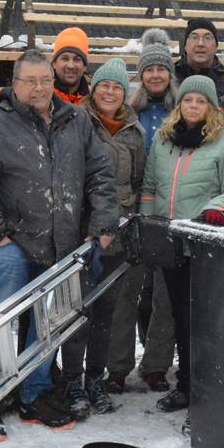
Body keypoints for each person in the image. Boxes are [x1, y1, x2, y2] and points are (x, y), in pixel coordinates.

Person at [0, 48, 119, 441]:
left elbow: (100, 173)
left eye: (45, 81)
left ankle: (34, 392)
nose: (39, 88)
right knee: (1, 320)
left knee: (48, 324)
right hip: (12, 242)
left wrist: (101, 221)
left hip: (62, 243)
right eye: (30, 81)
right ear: (14, 85)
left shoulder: (75, 120)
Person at [140, 75, 224, 418]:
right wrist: (148, 226)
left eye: (200, 101)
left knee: (204, 320)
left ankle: (208, 384)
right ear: (179, 104)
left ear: (211, 107)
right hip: (170, 244)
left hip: (206, 243)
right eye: (187, 100)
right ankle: (188, 384)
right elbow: (150, 188)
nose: (193, 106)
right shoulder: (163, 140)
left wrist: (219, 208)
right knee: (180, 317)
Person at [60, 58, 146, 419]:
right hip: (82, 231)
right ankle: (72, 381)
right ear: (93, 90)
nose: (109, 92)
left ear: (125, 93)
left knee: (106, 311)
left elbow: (139, 182)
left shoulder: (134, 131)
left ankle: (96, 377)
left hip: (118, 232)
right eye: (103, 86)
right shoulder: (74, 121)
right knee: (76, 310)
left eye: (116, 87)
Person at [106, 28, 176, 395]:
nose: (155, 76)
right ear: (141, 75)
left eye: (161, 70)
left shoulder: (183, 112)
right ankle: (116, 366)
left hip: (167, 210)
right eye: (149, 70)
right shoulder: (129, 112)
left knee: (164, 297)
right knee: (126, 293)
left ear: (169, 74)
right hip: (132, 211)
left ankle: (156, 365)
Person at [174, 18, 224, 97]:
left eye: (207, 38)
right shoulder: (169, 83)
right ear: (185, 45)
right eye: (194, 37)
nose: (200, 44)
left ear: (216, 46)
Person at [52, 26, 90, 104]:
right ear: (54, 63)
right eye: (65, 59)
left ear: (85, 66)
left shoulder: (92, 103)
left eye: (77, 59)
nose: (71, 66)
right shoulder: (42, 97)